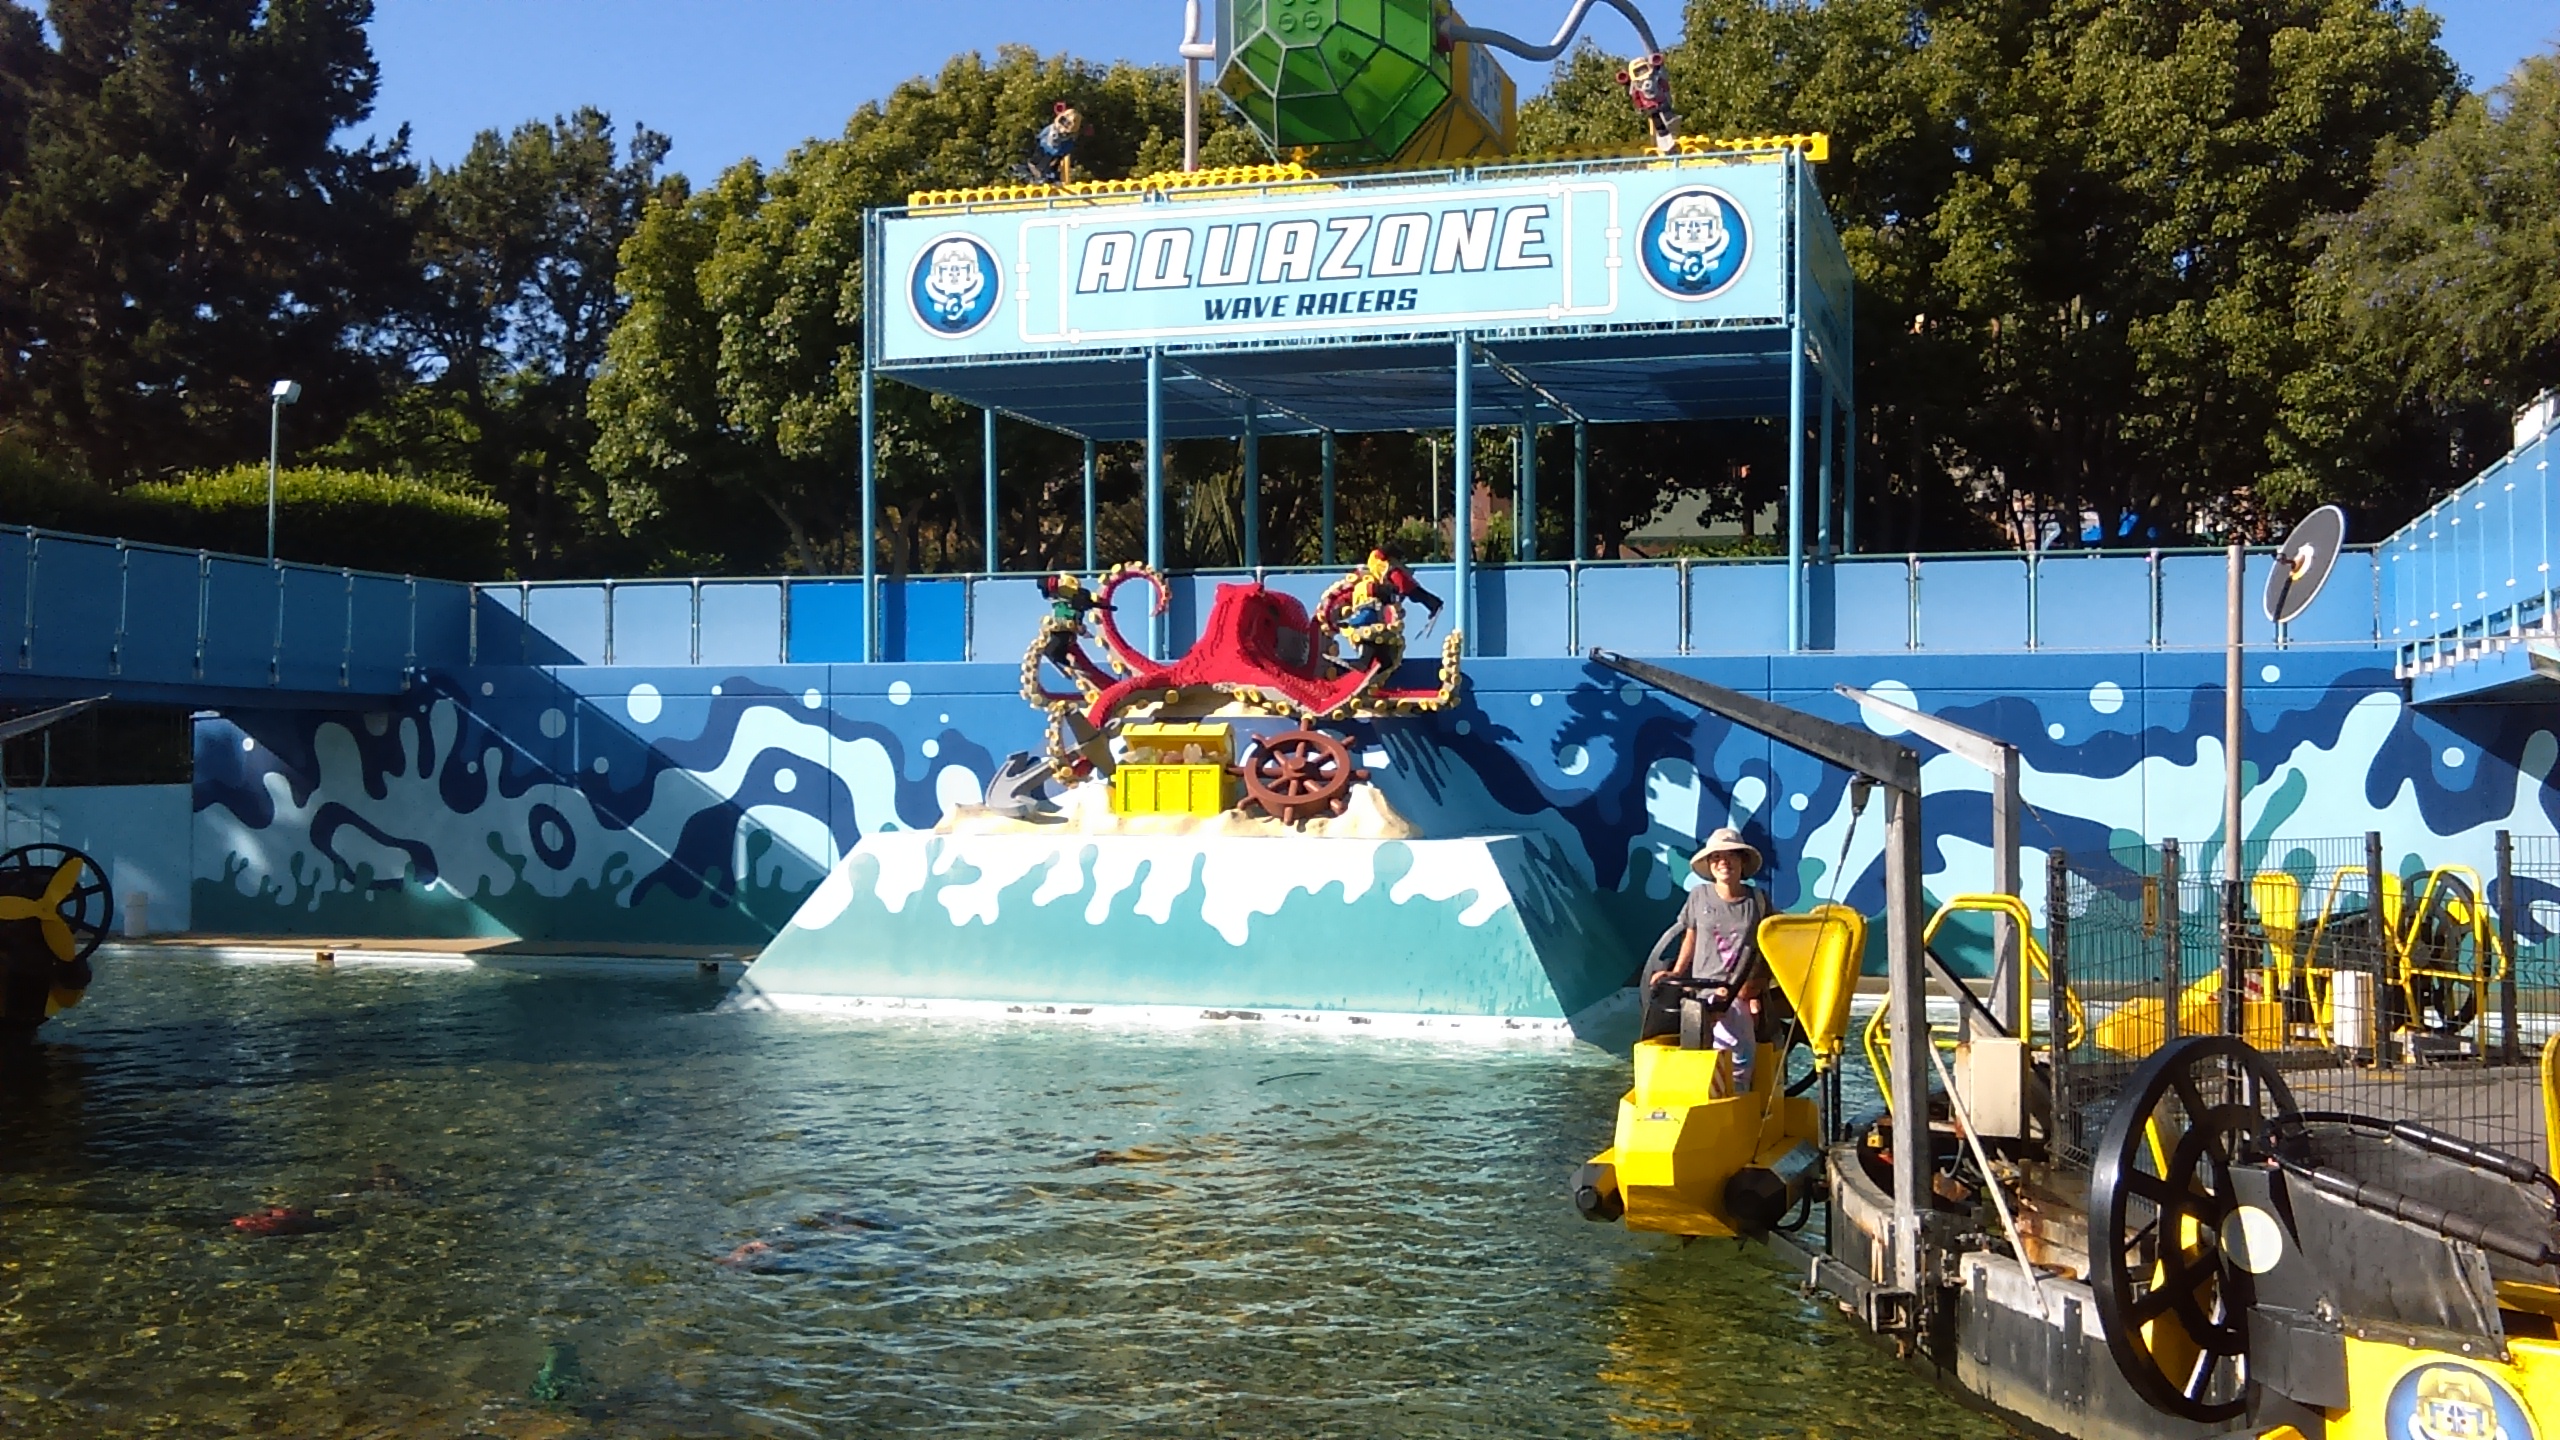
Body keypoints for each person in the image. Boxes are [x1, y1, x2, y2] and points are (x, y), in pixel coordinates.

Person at [1641, 827, 1772, 1094]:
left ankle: (1737, 1100)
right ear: (1710, 865)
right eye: (1716, 857)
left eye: (1731, 856)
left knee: (1739, 1051)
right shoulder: (1698, 896)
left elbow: (1768, 945)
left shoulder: (1757, 901)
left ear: (1742, 861)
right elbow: (1690, 934)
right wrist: (1677, 972)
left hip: (1738, 991)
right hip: (1702, 990)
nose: (1724, 862)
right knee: (1697, 1049)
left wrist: (1756, 990)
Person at [1316, 543, 1443, 673]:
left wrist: (1347, 622)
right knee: (1377, 639)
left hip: (1372, 613)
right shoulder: (1383, 575)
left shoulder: (1373, 579)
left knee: (1365, 636)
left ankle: (1363, 663)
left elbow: (1367, 607)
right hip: (1379, 613)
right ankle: (1385, 661)